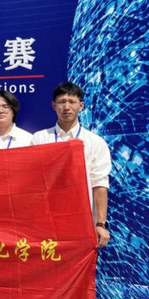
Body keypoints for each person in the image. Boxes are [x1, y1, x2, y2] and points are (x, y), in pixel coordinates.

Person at [31, 82, 111, 248]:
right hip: (47, 219)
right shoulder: (39, 139)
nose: (66, 107)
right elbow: (33, 181)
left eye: (72, 102)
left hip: (83, 220)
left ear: (81, 106)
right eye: (61, 102)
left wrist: (100, 223)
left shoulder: (95, 142)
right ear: (54, 106)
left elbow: (100, 184)